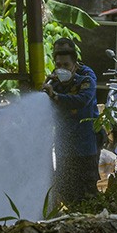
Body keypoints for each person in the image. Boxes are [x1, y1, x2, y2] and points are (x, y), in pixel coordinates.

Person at [42, 43, 99, 204]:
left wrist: (56, 97)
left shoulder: (86, 81)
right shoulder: (54, 85)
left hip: (84, 148)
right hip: (63, 149)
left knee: (87, 193)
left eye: (66, 65)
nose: (62, 68)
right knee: (66, 191)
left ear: (75, 66)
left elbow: (81, 101)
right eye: (58, 65)